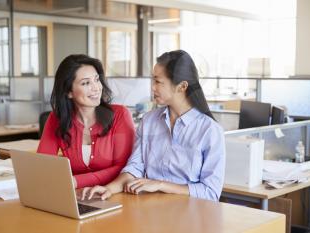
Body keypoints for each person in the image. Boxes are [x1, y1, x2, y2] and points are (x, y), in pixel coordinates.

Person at [83, 50, 225, 201]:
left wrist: (160, 185)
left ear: (182, 86)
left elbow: (211, 192)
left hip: (188, 215)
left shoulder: (209, 130)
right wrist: (108, 189)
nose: (152, 87)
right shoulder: (149, 121)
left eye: (158, 81)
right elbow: (135, 168)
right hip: (149, 210)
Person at [37, 54, 135, 189]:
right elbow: (42, 164)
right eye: (86, 83)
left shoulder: (120, 115)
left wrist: (76, 181)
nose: (96, 88)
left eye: (96, 80)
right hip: (75, 195)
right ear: (68, 92)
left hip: (113, 194)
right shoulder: (57, 118)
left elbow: (124, 168)